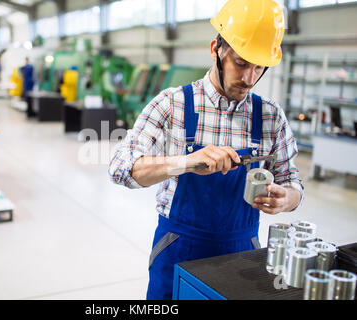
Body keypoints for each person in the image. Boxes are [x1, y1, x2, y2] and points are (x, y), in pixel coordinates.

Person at [108, 0, 304, 300]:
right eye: (240, 62)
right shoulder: (172, 105)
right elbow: (121, 169)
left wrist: (286, 199)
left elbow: (293, 184)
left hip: (242, 254)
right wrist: (184, 161)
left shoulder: (270, 117)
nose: (249, 78)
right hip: (178, 248)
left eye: (259, 67)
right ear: (216, 49)